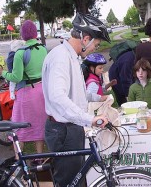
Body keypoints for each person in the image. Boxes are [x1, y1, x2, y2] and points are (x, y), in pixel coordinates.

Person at [42, 13, 109, 187]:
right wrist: (89, 118)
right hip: (63, 130)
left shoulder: (72, 57)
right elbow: (58, 97)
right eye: (96, 44)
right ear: (86, 38)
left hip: (71, 127)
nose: (96, 48)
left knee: (77, 180)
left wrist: (96, 102)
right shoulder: (61, 58)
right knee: (70, 181)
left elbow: (77, 93)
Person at [0, 20, 48, 163]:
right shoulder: (43, 48)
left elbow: (16, 77)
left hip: (26, 93)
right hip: (41, 91)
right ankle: (40, 158)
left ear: (23, 34)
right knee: (39, 123)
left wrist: (2, 72)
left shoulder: (20, 53)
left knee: (18, 125)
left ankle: (19, 160)